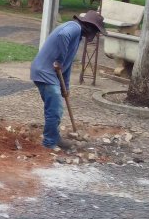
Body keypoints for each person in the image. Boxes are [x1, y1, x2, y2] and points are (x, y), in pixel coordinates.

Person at [30, 10, 106, 149]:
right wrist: (59, 60)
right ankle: (49, 143)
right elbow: (62, 36)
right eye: (95, 31)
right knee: (55, 110)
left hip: (49, 73)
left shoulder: (77, 36)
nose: (95, 35)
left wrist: (66, 87)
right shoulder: (74, 27)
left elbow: (67, 64)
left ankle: (54, 137)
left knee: (55, 108)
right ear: (89, 27)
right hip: (44, 72)